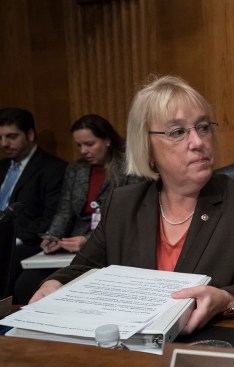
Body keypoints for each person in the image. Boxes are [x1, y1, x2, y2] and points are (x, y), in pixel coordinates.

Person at [29, 75, 234, 333]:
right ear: (146, 147)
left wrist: (228, 299)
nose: (198, 142)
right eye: (177, 132)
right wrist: (56, 283)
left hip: (208, 346)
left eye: (203, 127)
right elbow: (82, 269)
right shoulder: (122, 204)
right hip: (131, 349)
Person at [13, 114, 141, 304]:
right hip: (71, 246)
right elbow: (64, 210)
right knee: (26, 282)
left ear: (107, 140)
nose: (83, 151)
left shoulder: (130, 168)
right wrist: (53, 236)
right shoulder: (75, 170)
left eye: (89, 144)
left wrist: (88, 241)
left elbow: (128, 217)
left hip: (108, 243)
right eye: (79, 145)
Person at [0, 107, 67, 300]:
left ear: (30, 134)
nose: (4, 144)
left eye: (11, 136)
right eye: (1, 138)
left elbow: (50, 218)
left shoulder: (54, 168)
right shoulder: (1, 167)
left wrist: (12, 238)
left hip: (26, 241)